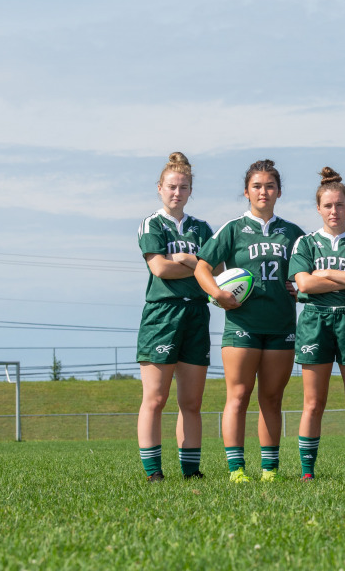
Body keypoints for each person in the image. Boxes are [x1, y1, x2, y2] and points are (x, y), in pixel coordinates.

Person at [195, 159, 304, 483]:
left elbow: (305, 274)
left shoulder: (293, 233)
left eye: (270, 186)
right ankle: (236, 469)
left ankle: (270, 469)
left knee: (272, 398)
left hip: (281, 324)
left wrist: (301, 288)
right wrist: (217, 293)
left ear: (279, 191)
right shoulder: (233, 229)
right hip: (242, 325)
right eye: (257, 186)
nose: (263, 191)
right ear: (246, 191)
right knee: (239, 395)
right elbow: (202, 266)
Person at [136, 152, 214, 482]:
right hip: (162, 314)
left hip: (197, 313)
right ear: (159, 188)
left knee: (191, 400)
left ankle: (191, 470)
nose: (176, 193)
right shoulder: (152, 224)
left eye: (183, 187)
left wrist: (187, 260)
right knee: (156, 398)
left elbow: (214, 271)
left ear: (190, 190)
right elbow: (159, 267)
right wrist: (193, 264)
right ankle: (154, 472)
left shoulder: (203, 228)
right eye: (171, 186)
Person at [289, 167, 345, 481]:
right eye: (328, 206)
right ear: (318, 209)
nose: (334, 211)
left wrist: (327, 275)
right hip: (315, 322)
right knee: (314, 401)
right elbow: (304, 285)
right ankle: (307, 471)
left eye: (339, 205)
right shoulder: (305, 244)